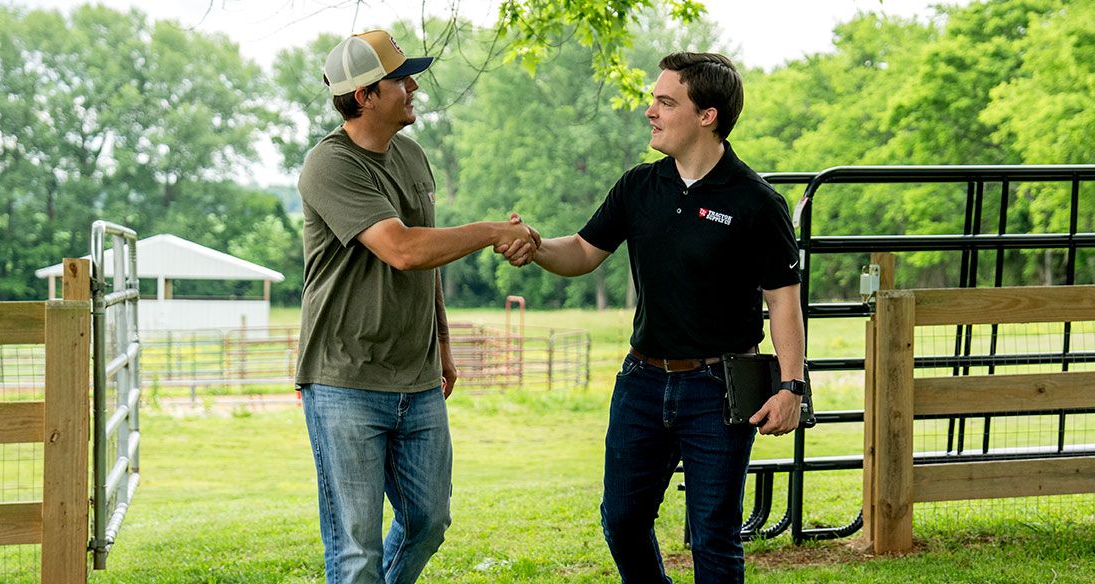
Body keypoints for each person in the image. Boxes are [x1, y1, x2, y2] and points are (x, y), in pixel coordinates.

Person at [514, 52, 807, 582]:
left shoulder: (757, 202)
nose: (650, 110)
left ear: (707, 115)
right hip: (641, 382)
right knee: (622, 521)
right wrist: (535, 246)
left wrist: (791, 387)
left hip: (718, 389)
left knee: (713, 537)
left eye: (665, 101)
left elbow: (783, 297)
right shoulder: (639, 186)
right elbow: (582, 250)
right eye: (653, 99)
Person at [294, 29, 537, 584]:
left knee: (428, 520)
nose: (413, 86)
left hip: (418, 378)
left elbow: (427, 266)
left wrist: (444, 346)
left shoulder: (412, 155)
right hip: (344, 381)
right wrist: (491, 231)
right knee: (354, 547)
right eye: (400, 79)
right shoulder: (330, 165)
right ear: (364, 96)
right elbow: (402, 250)